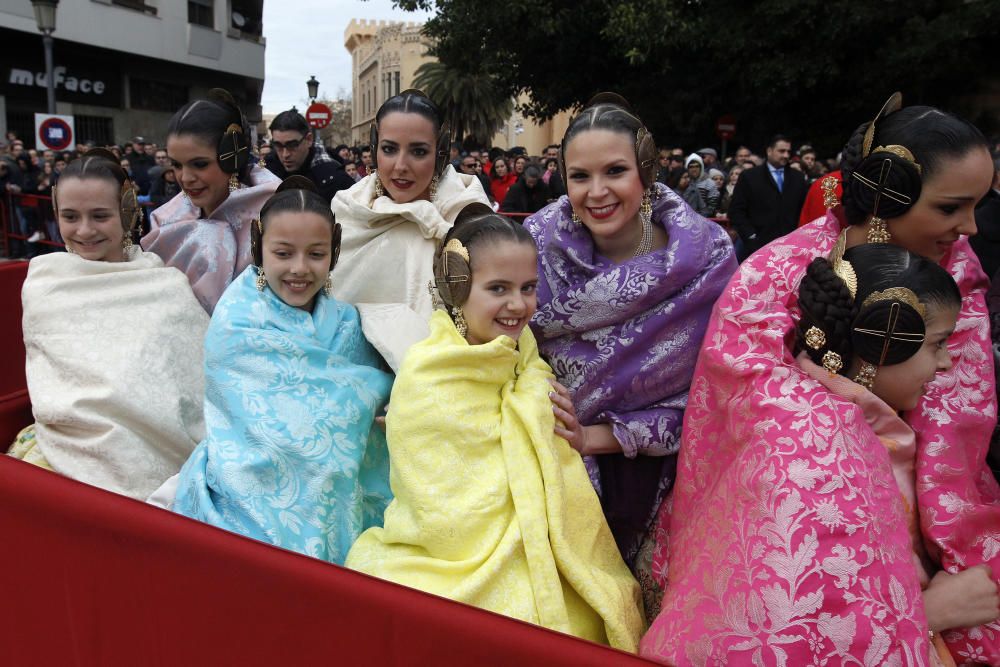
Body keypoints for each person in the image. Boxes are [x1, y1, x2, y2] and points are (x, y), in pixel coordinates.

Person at [642, 94, 1000, 664]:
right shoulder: (772, 278)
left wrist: (954, 573)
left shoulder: (960, 272)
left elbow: (958, 442)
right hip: (794, 525)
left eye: (979, 205)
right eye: (953, 207)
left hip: (926, 529)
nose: (971, 227)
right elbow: (769, 444)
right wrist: (912, 605)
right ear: (886, 196)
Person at [346, 206, 644, 650]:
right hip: (458, 548)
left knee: (583, 618)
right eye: (498, 289)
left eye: (527, 288)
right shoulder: (429, 373)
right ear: (457, 287)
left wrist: (540, 406)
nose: (518, 305)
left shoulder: (525, 356)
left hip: (538, 537)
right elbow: (434, 495)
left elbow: (551, 443)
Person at [524, 94, 737, 613]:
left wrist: (603, 437)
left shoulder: (708, 260)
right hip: (547, 465)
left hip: (665, 480)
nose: (596, 193)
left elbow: (724, 394)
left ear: (645, 171)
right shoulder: (532, 245)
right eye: (579, 176)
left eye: (615, 171)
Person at [172, 177, 393, 564]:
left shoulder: (345, 320)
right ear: (259, 247)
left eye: (316, 254)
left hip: (332, 473)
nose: (299, 269)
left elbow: (359, 396)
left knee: (336, 474)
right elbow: (248, 415)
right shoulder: (237, 318)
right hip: (250, 469)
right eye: (283, 253)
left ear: (335, 251)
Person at [8, 149, 208, 501]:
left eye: (100, 216)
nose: (84, 231)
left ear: (127, 212)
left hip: (163, 457)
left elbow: (194, 383)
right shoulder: (44, 281)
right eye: (70, 216)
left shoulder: (165, 285)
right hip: (65, 452)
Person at [329, 89, 490, 372]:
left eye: (418, 151)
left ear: (440, 151)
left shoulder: (469, 215)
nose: (400, 166)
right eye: (389, 149)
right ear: (374, 146)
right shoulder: (348, 209)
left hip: (446, 380)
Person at [141, 88, 279, 314]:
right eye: (176, 165)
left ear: (234, 157)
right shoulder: (165, 219)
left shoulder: (278, 214)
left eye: (200, 164)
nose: (185, 178)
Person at [728, 134, 808, 258]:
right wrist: (751, 236)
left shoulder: (798, 178)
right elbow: (736, 211)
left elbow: (803, 210)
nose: (786, 155)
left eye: (788, 151)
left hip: (791, 248)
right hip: (757, 248)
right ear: (769, 151)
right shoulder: (749, 177)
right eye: (781, 151)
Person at [264, 109, 355, 204]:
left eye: (292, 145)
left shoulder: (336, 179)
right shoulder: (265, 172)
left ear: (308, 139)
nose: (285, 154)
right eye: (278, 146)